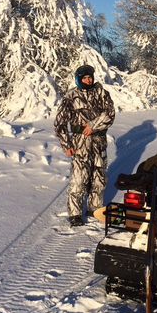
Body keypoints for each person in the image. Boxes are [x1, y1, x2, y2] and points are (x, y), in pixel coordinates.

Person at [54, 64, 115, 227]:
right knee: (79, 179)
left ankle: (94, 208)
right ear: (79, 79)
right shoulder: (71, 96)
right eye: (85, 78)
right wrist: (66, 144)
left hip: (99, 143)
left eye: (90, 77)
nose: (88, 80)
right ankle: (75, 213)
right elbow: (59, 124)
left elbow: (110, 114)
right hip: (80, 144)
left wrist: (93, 126)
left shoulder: (101, 93)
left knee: (99, 178)